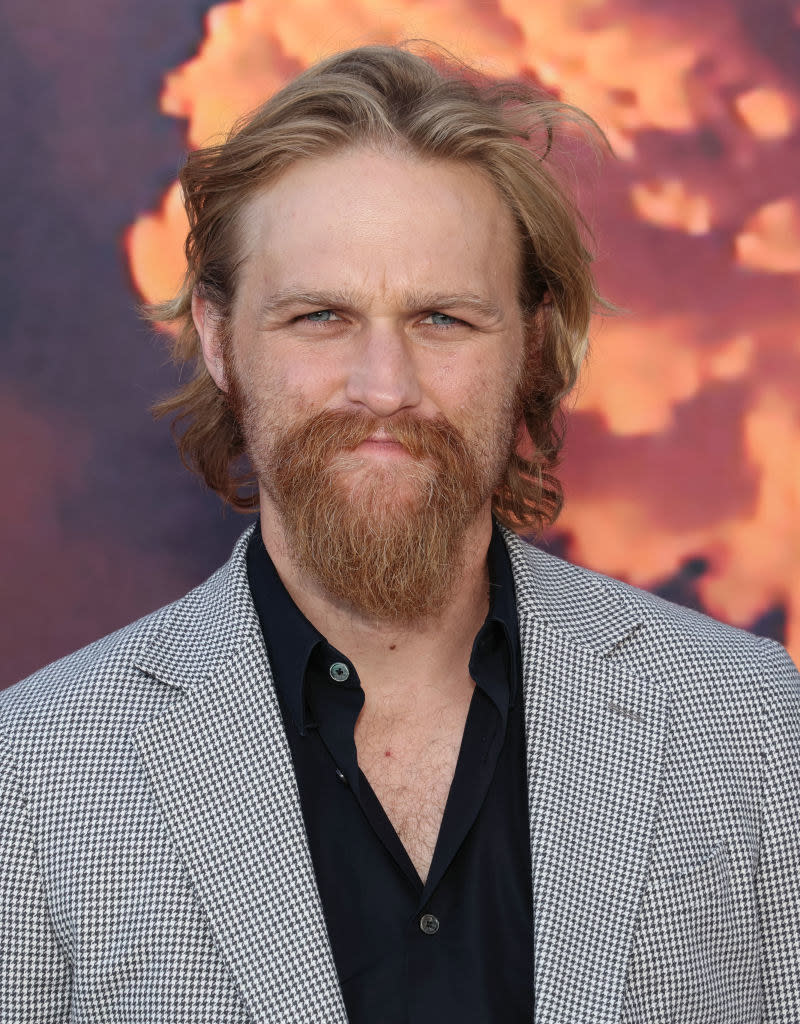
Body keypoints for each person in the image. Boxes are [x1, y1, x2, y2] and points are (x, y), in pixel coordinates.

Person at [1, 43, 798, 1024]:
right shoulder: (39, 776)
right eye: (320, 316)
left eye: (440, 319)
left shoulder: (749, 724)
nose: (384, 387)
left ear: (532, 343)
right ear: (217, 338)